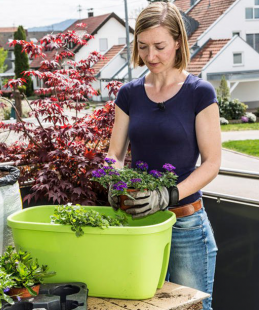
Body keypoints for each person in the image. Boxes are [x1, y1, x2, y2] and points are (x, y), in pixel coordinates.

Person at [106, 2, 221, 310]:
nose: (151, 56)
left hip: (186, 225)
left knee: (192, 308)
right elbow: (114, 153)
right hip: (141, 224)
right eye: (143, 47)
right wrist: (115, 180)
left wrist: (167, 195)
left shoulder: (200, 92)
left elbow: (212, 163)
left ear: (178, 43)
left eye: (159, 46)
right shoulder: (129, 94)